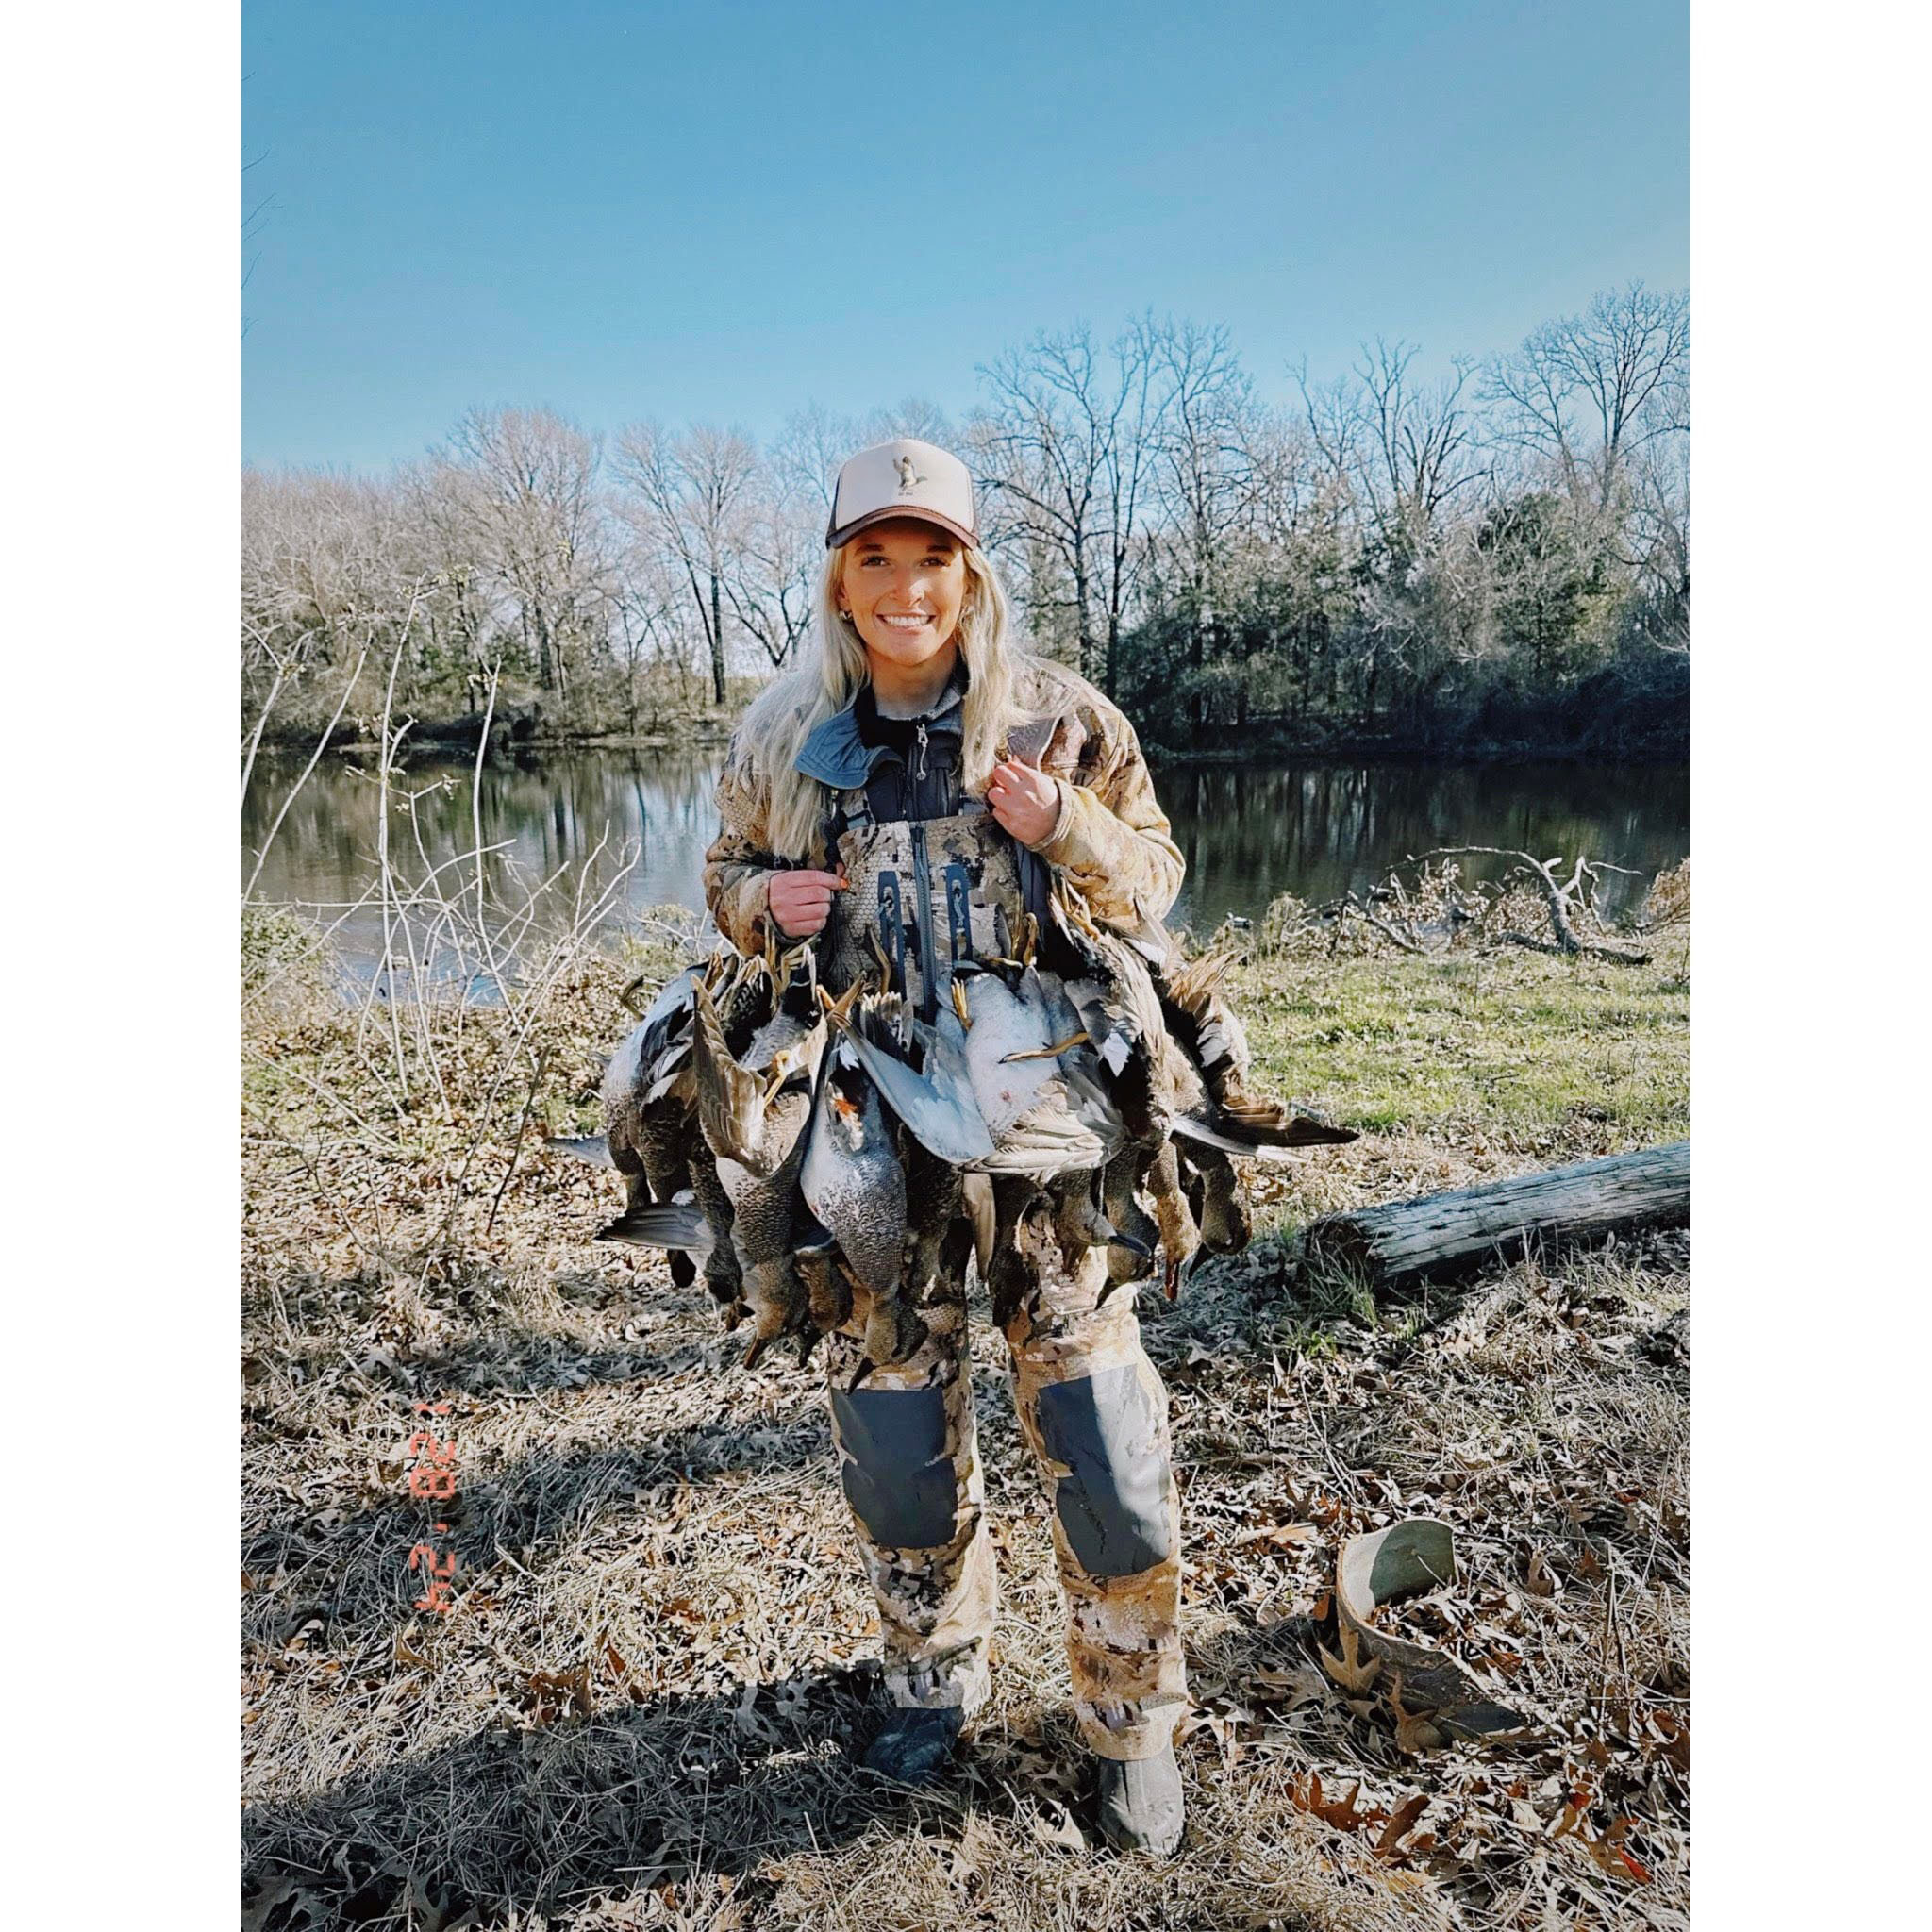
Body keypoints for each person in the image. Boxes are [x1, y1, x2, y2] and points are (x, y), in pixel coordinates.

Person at [702, 438, 1191, 1855]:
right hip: (867, 1142)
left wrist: (1070, 823)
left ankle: (1133, 1720)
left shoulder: (1059, 721)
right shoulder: (782, 737)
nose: (907, 589)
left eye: (934, 560)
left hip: (1049, 1135)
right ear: (839, 580)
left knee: (1101, 1438)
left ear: (969, 573)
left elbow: (1155, 880)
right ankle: (932, 1681)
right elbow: (722, 879)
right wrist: (763, 908)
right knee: (898, 1433)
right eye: (878, 560)